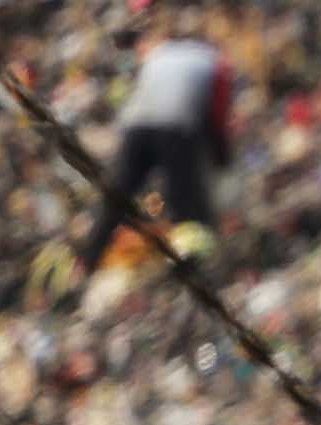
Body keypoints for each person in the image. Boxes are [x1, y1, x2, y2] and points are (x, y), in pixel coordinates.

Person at [75, 14, 235, 270]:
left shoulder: (159, 53)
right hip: (176, 124)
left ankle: (89, 258)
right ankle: (188, 257)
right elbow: (215, 116)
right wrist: (222, 156)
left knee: (120, 193)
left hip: (136, 125)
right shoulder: (214, 62)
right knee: (184, 193)